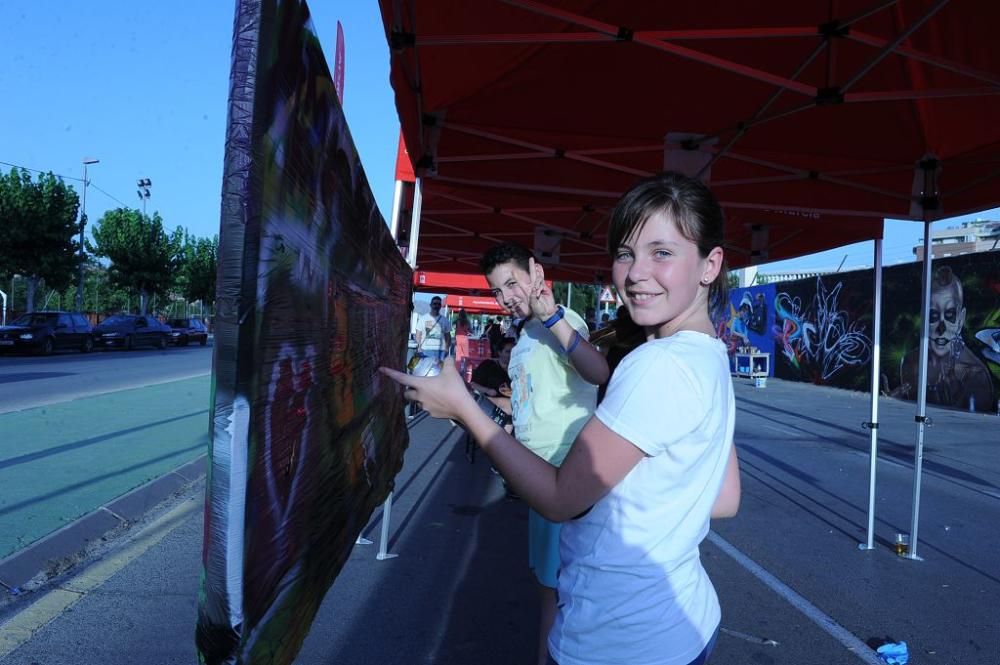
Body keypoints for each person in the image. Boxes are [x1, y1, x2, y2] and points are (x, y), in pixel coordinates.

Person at [382, 171, 741, 665]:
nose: (636, 273)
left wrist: (465, 408)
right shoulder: (708, 356)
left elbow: (559, 499)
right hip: (683, 625)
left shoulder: (657, 364)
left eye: (662, 253)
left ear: (710, 264)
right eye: (624, 253)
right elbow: (724, 498)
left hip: (618, 638)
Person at [894, 265, 995, 411]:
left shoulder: (975, 375)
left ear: (961, 320)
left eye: (950, 316)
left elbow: (973, 428)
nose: (941, 329)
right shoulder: (911, 363)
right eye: (933, 316)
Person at [414, 296, 451, 362]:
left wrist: (447, 348)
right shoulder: (423, 319)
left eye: (438, 304)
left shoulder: (445, 320)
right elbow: (418, 335)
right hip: (426, 350)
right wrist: (419, 347)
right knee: (425, 371)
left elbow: (448, 336)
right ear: (430, 305)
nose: (436, 306)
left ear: (440, 306)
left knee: (440, 371)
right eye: (434, 304)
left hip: (441, 351)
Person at [453, 308, 472, 374]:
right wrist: (467, 331)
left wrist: (454, 338)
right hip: (464, 338)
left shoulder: (457, 321)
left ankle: (457, 370)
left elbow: (456, 330)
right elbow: (470, 331)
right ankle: (465, 370)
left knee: (458, 355)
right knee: (466, 355)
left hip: (458, 337)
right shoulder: (467, 321)